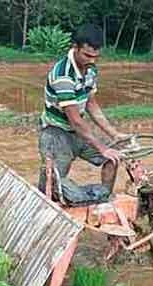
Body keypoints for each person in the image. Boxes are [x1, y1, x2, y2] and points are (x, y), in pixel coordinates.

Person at [38, 23, 129, 205]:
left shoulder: (90, 69)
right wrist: (102, 147)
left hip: (78, 133)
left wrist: (114, 134)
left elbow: (91, 104)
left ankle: (104, 201)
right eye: (87, 55)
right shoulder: (63, 75)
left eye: (96, 57)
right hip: (56, 134)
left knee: (113, 158)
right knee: (55, 185)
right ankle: (43, 202)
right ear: (74, 48)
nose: (92, 60)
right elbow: (75, 120)